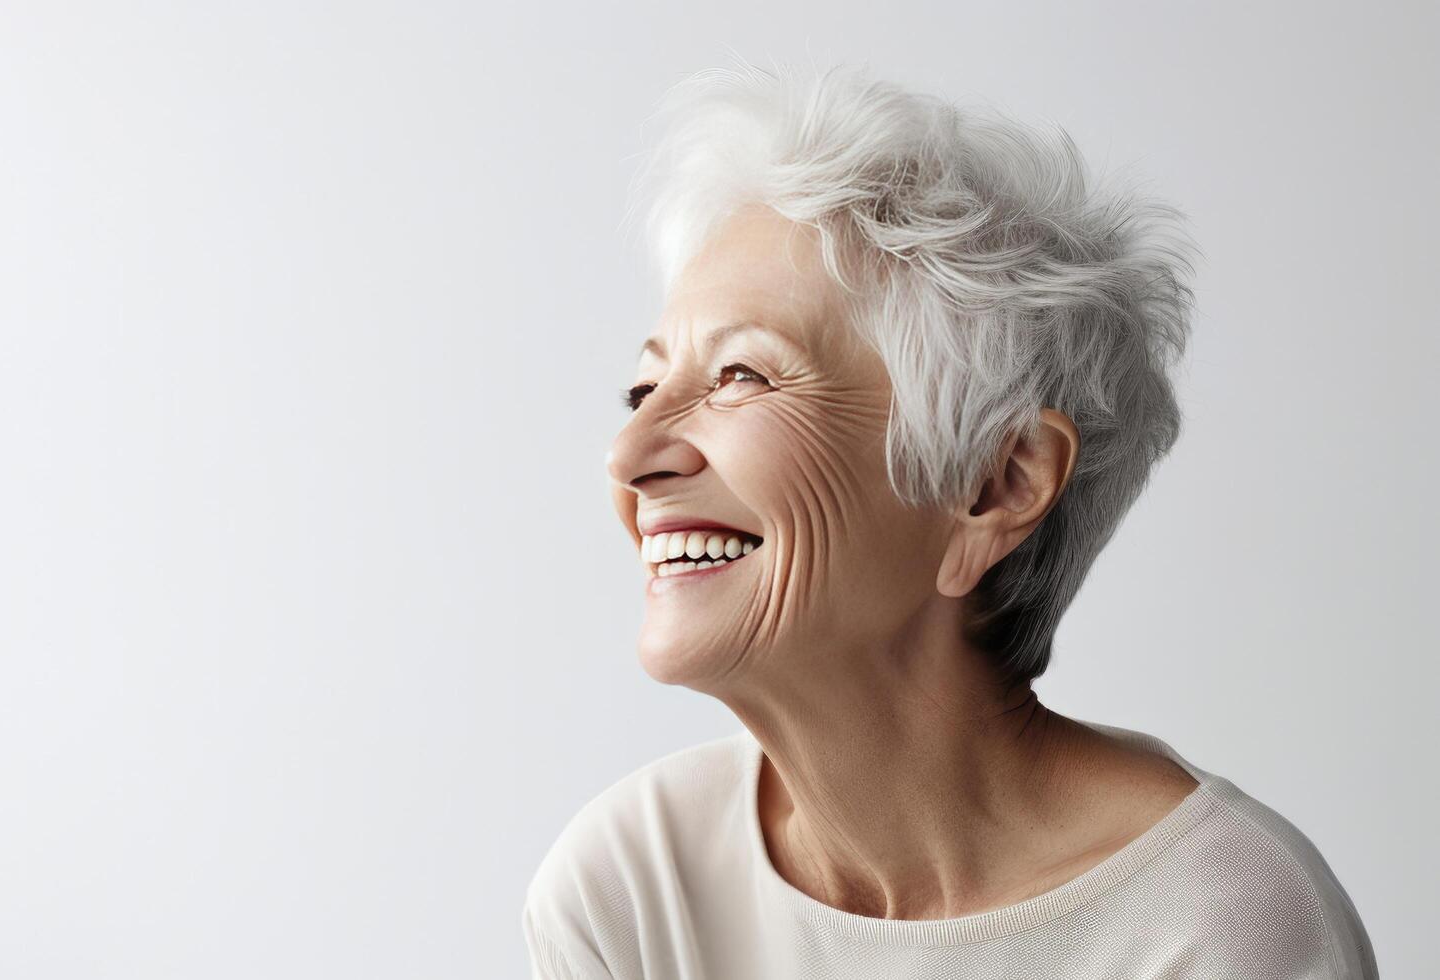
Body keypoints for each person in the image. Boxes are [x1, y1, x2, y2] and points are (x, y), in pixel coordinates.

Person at [522, 62, 1376, 979]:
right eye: (643, 387)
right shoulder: (633, 888)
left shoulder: (1213, 930)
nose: (628, 455)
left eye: (741, 376)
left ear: (994, 485)